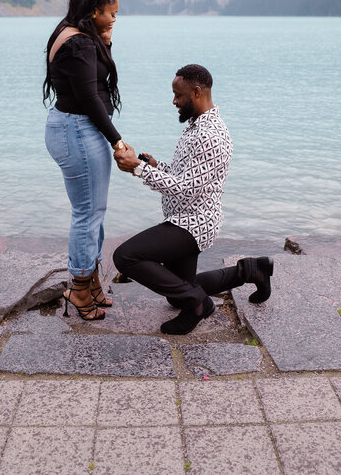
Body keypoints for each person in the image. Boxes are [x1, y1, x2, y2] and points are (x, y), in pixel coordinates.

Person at [112, 64, 273, 335]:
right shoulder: (197, 125)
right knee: (176, 293)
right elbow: (187, 175)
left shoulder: (209, 135)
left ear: (196, 92)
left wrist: (139, 169)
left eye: (179, 95)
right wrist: (154, 165)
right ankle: (251, 270)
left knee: (125, 256)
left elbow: (186, 189)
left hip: (193, 223)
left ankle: (199, 305)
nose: (174, 101)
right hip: (184, 217)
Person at [43, 0, 127, 322]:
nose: (114, 19)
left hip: (73, 128)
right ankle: (79, 289)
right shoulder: (78, 43)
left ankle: (90, 280)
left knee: (93, 211)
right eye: (110, 13)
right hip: (78, 130)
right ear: (94, 11)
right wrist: (117, 140)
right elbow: (91, 98)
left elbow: (91, 80)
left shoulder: (77, 34)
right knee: (88, 213)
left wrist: (105, 41)